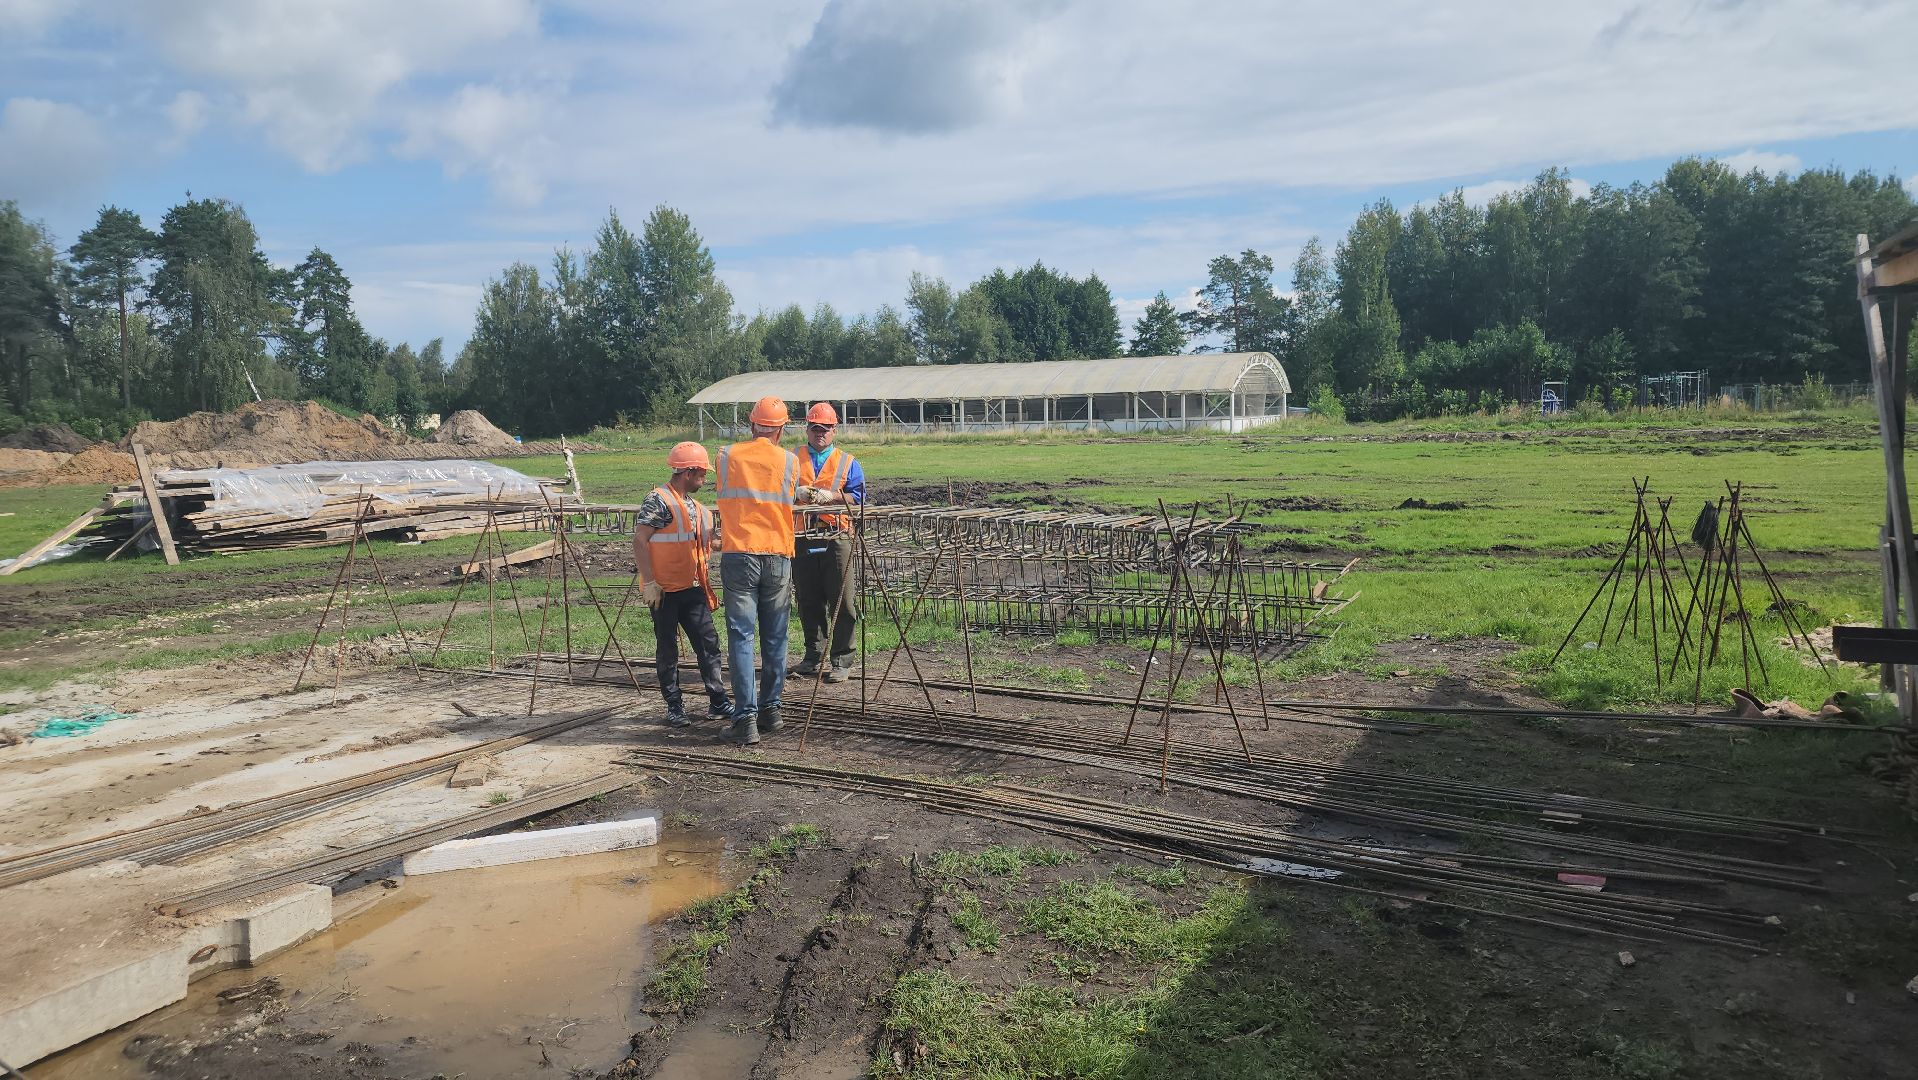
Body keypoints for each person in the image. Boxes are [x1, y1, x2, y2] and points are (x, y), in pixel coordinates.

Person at [714, 396, 802, 745]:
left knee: (741, 636)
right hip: (778, 556)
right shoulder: (790, 461)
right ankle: (771, 710)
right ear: (782, 429)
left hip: (739, 555)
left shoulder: (726, 455)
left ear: (751, 424)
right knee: (776, 636)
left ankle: (745, 719)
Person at [632, 441, 731, 728]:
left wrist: (736, 541)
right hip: (663, 591)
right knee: (668, 649)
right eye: (702, 473)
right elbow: (640, 540)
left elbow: (707, 542)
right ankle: (674, 706)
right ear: (689, 471)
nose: (706, 478)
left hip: (692, 587)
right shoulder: (658, 500)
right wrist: (649, 583)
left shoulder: (698, 508)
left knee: (708, 644)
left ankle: (718, 702)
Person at [790, 402, 864, 683]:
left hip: (837, 537)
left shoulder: (847, 462)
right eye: (815, 428)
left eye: (825, 429)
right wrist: (795, 491)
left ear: (834, 431)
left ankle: (842, 660)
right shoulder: (792, 458)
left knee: (842, 600)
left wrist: (830, 497)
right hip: (802, 536)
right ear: (807, 429)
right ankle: (813, 656)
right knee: (808, 599)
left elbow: (858, 497)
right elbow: (778, 488)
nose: (819, 433)